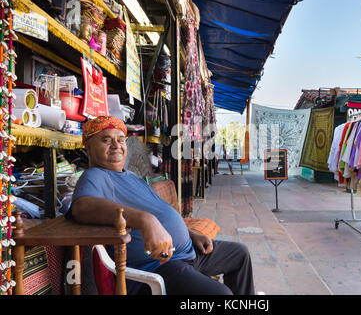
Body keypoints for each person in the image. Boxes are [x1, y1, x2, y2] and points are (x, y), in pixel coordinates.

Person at [68, 116, 255, 295]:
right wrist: (145, 220)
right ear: (88, 147)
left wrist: (191, 234)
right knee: (220, 294)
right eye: (106, 140)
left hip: (187, 251)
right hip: (159, 265)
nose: (116, 145)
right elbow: (81, 207)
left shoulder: (130, 176)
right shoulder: (95, 176)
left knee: (240, 254)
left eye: (121, 139)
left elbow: (157, 211)